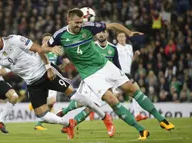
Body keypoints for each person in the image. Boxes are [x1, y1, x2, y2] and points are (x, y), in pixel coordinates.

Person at [42, 8, 175, 140]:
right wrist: (51, 50)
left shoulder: (88, 27)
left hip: (104, 65)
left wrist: (128, 32)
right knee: (111, 100)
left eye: (81, 22)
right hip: (90, 75)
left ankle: (162, 119)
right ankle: (141, 130)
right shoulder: (60, 35)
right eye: (76, 22)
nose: (79, 25)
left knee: (132, 89)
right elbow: (42, 49)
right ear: (68, 20)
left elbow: (112, 25)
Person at [0, 26, 110, 139]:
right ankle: (69, 124)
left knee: (73, 95)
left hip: (45, 72)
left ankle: (104, 116)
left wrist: (49, 68)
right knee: (42, 115)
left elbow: (38, 49)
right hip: (32, 82)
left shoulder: (14, 40)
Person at [29, 33, 70, 131]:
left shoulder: (56, 52)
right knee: (50, 102)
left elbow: (60, 69)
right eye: (45, 40)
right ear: (42, 42)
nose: (47, 41)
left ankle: (39, 123)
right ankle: (37, 114)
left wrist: (65, 64)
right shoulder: (38, 52)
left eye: (49, 39)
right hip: (40, 79)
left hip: (52, 79)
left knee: (51, 103)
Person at [116, 31, 148, 121]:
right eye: (120, 36)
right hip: (120, 73)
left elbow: (130, 60)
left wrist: (135, 56)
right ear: (117, 38)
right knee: (136, 91)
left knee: (115, 94)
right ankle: (137, 114)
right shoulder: (115, 48)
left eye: (123, 36)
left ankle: (137, 114)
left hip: (128, 73)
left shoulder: (129, 47)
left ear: (126, 38)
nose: (122, 38)